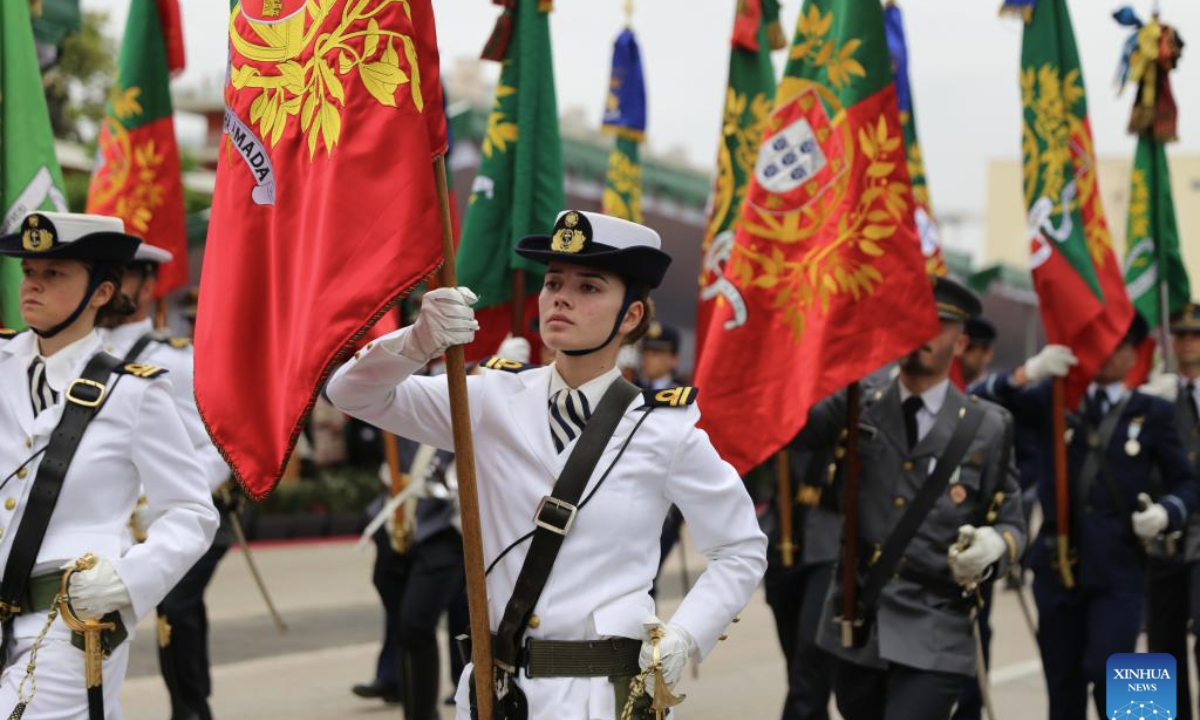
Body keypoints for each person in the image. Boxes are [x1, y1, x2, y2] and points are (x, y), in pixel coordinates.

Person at [327, 209, 767, 720]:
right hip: (496, 693)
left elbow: (740, 548)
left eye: (589, 287)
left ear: (630, 317)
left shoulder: (663, 431)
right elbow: (351, 393)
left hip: (600, 697)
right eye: (554, 281)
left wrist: (685, 636)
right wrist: (415, 342)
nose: (561, 296)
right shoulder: (489, 398)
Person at [0, 211, 218, 718]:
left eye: (54, 274)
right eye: (29, 272)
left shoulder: (134, 391)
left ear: (100, 292)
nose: (32, 286)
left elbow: (192, 512)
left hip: (72, 619)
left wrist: (127, 579)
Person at [795, 276, 1026, 720]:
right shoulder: (858, 397)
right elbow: (790, 426)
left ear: (960, 343)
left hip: (936, 624)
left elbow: (1012, 521)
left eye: (938, 324)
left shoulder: (987, 426)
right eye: (911, 320)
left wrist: (995, 545)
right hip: (858, 622)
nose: (922, 331)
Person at [976, 314, 1200, 720]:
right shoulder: (1054, 399)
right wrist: (1028, 372)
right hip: (1057, 564)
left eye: (1115, 345)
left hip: (1120, 566)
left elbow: (1188, 482)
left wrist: (1167, 513)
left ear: (1132, 352)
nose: (1104, 354)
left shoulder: (1152, 411)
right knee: (1064, 685)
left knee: (1117, 671)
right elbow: (979, 403)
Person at [96, 243, 231, 720]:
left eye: (122, 275)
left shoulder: (173, 359)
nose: (108, 285)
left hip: (173, 515)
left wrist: (161, 503)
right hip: (108, 524)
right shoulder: (76, 352)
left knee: (176, 610)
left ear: (148, 285)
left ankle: (191, 711)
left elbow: (218, 443)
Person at [1137, 303, 1200, 720]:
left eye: (1194, 336)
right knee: (1156, 650)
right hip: (1159, 537)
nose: (1185, 343)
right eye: (1178, 335)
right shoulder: (1154, 396)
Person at [752, 449, 839, 720]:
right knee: (797, 665)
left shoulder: (832, 409)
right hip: (779, 542)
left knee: (810, 656)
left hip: (830, 544)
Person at [636, 322, 683, 390]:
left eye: (655, 354)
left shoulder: (681, 395)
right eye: (645, 353)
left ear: (674, 359)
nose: (647, 358)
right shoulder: (632, 390)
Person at [958, 318, 996, 387]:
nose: (959, 353)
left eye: (968, 348)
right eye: (957, 346)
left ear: (988, 354)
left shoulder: (997, 393)